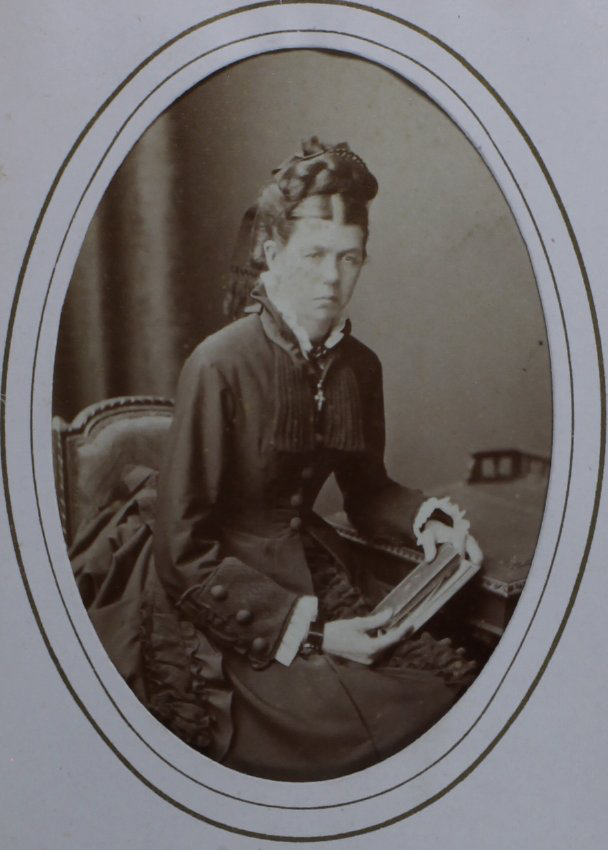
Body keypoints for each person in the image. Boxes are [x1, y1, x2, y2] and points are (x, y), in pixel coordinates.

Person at [70, 137, 482, 782]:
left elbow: (367, 489)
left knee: (439, 695)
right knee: (367, 734)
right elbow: (182, 547)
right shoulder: (218, 363)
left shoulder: (359, 366)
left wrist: (425, 521)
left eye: (349, 259)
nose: (331, 278)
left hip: (308, 565)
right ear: (272, 255)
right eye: (315, 254)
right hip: (216, 588)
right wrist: (314, 634)